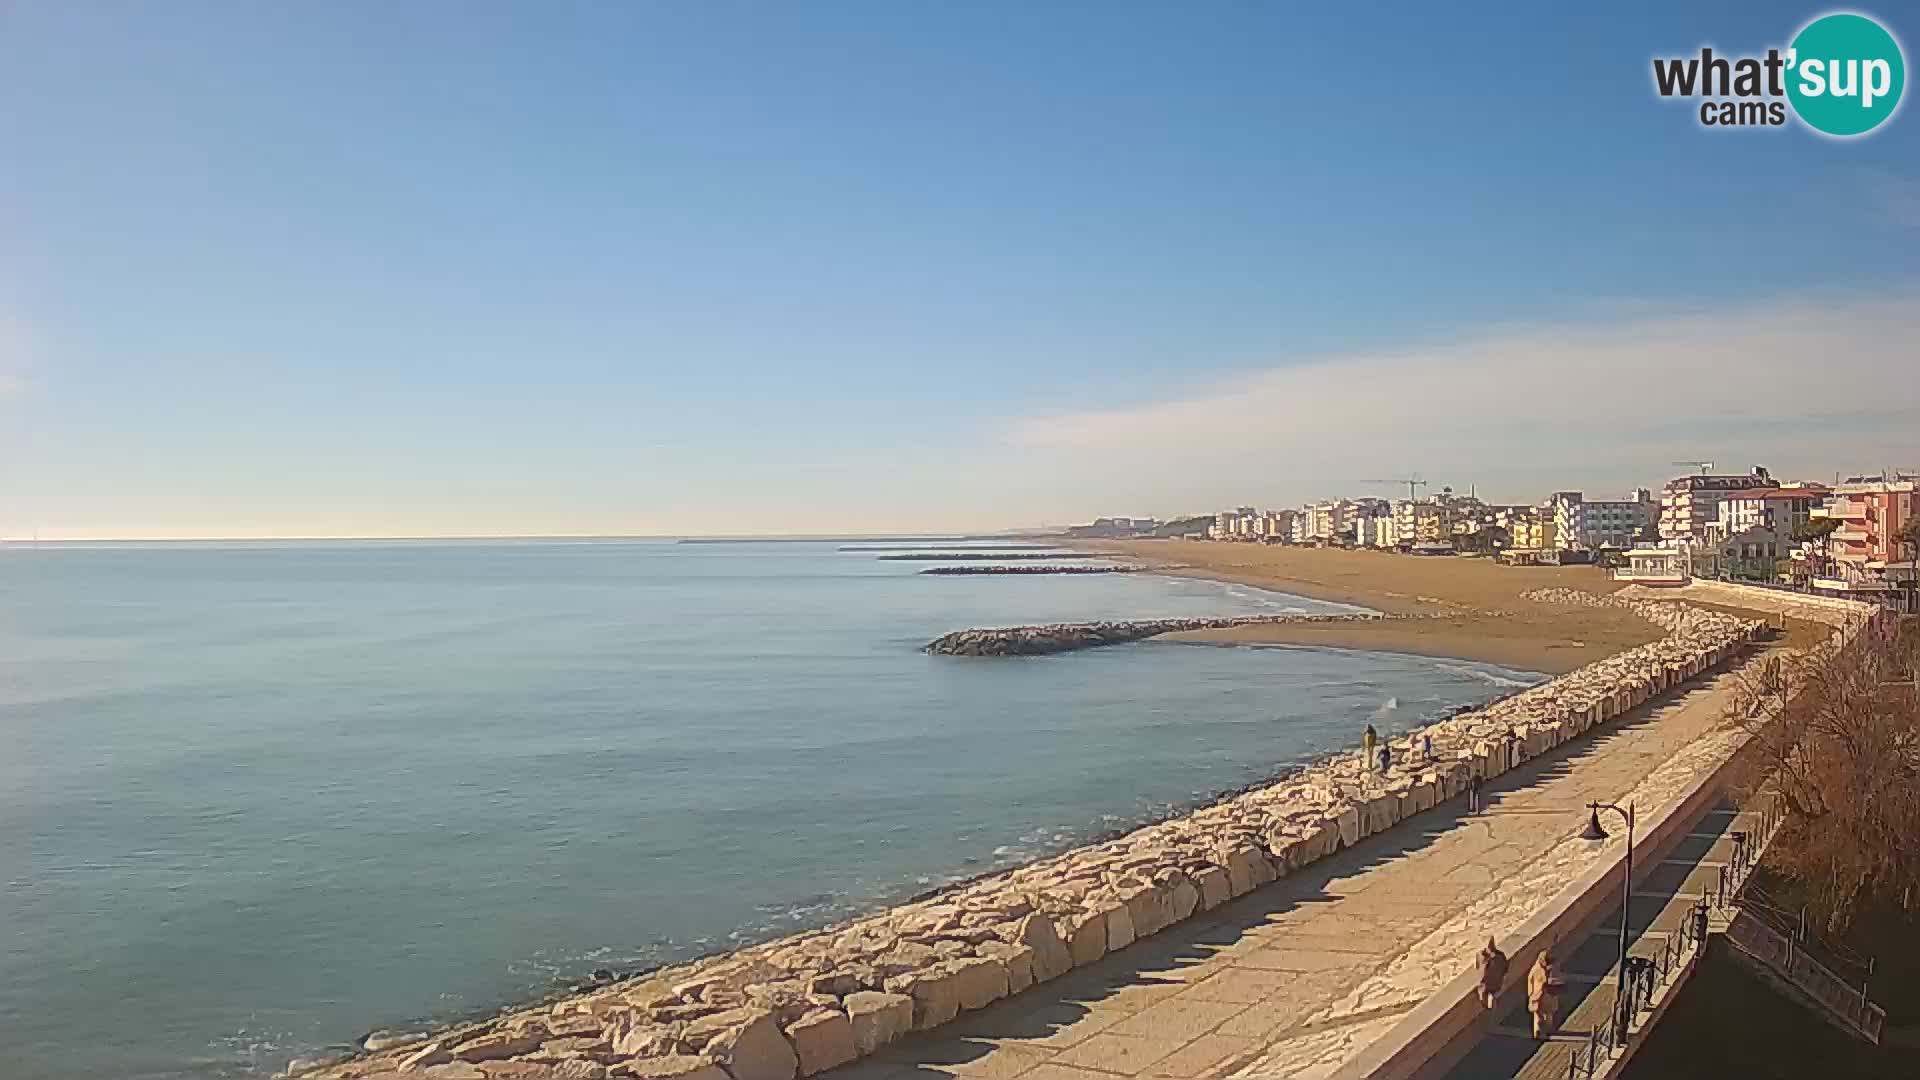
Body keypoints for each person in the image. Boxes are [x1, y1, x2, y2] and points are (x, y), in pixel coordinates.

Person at [1528, 946, 1565, 1039]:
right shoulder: (1553, 968)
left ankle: (1538, 1031)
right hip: (1548, 994)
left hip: (1537, 995)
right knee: (1548, 1015)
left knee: (1538, 1015)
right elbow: (1558, 981)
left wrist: (1531, 994)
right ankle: (1546, 1031)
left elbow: (1530, 982)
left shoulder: (1535, 969)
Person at [1476, 937, 1508, 1010]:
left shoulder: (1495, 988)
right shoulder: (1494, 987)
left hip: (1498, 963)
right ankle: (1488, 951)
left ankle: (1488, 951)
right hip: (1497, 964)